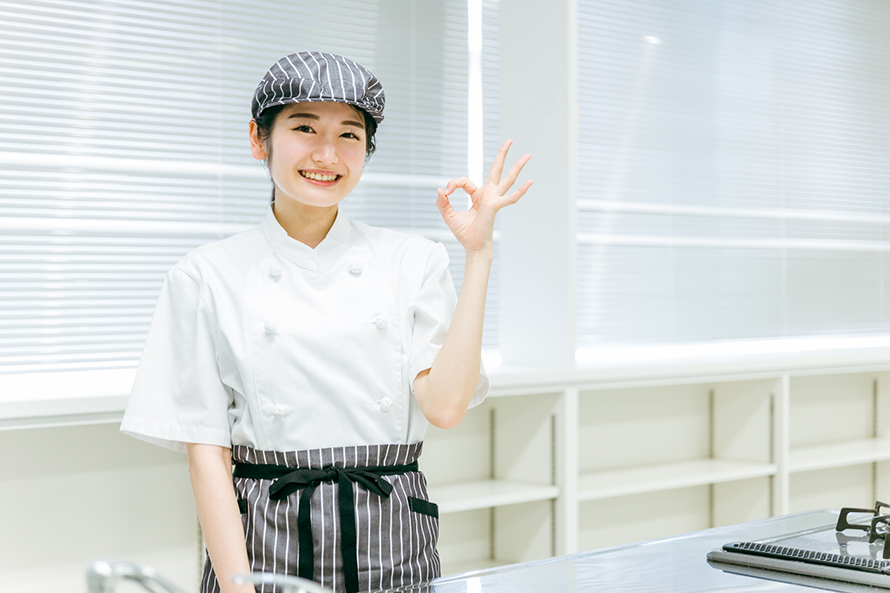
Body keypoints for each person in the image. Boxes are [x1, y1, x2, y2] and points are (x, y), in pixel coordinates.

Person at [120, 51, 532, 593]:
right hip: (267, 546)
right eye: (304, 127)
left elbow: (446, 408)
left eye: (349, 135)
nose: (327, 154)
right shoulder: (205, 275)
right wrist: (240, 589)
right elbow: (207, 455)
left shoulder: (413, 260)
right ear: (258, 139)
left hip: (393, 542)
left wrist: (478, 255)